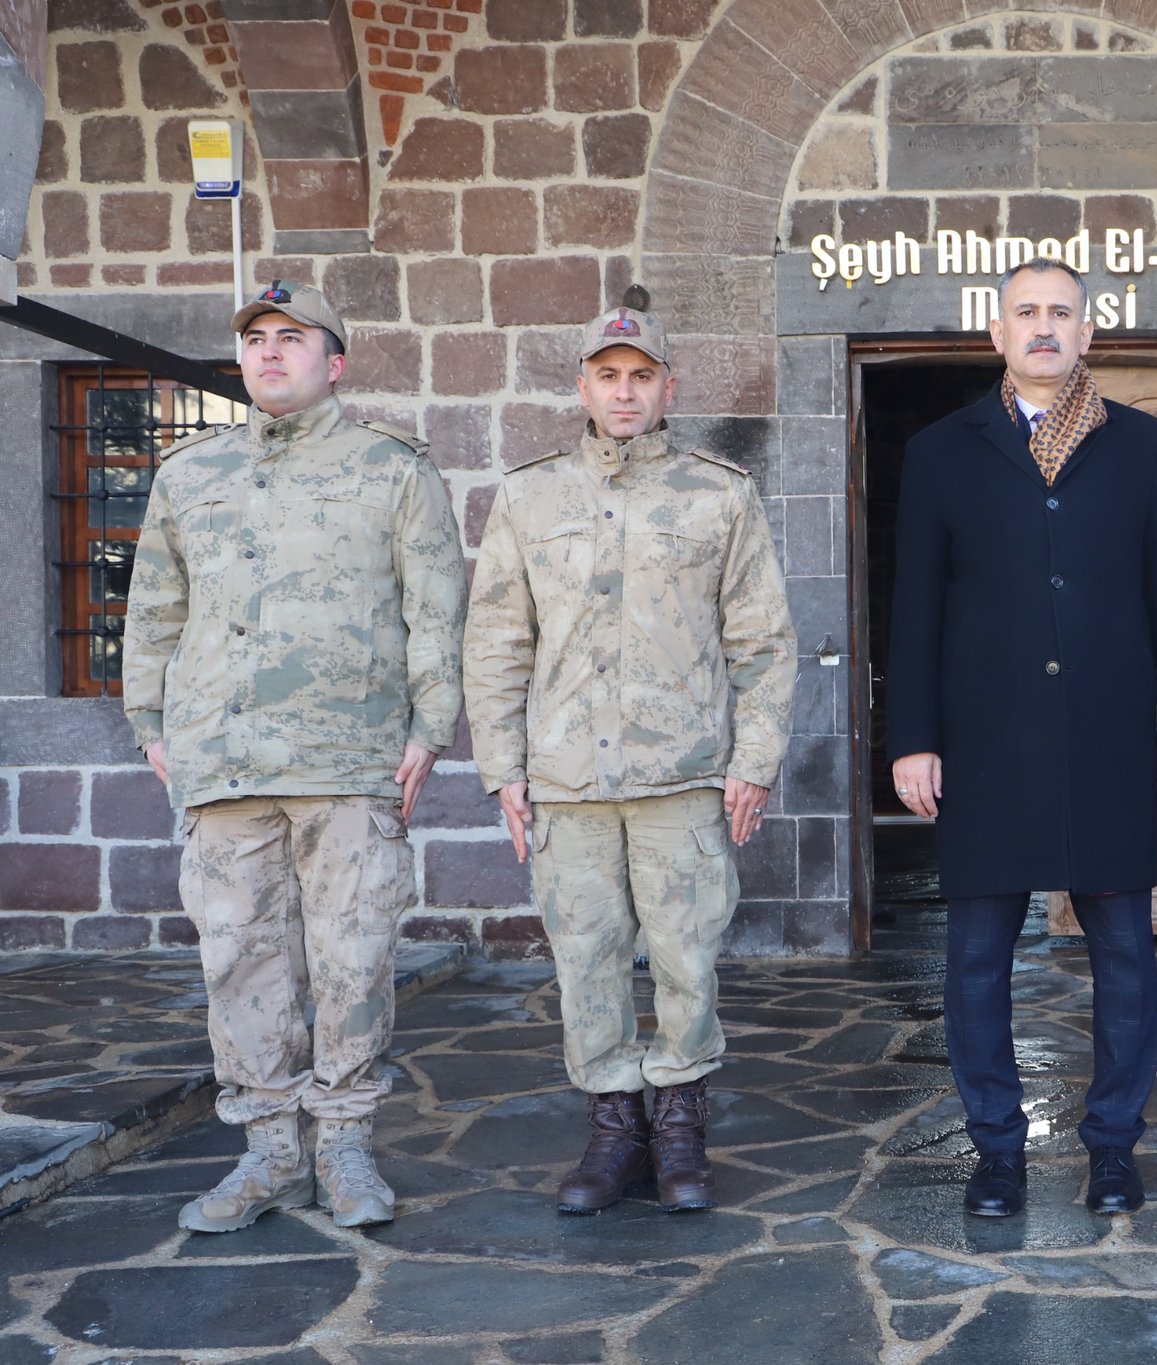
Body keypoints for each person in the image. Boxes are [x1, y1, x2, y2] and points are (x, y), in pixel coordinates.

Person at [124, 281, 467, 1232]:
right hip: (225, 760)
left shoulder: (392, 468)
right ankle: (271, 1153)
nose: (270, 351)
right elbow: (154, 605)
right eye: (257, 338)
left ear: (335, 361)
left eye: (292, 337)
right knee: (239, 964)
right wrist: (149, 721)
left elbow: (436, 606)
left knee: (354, 962)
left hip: (349, 758)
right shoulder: (190, 473)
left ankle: (346, 1145)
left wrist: (430, 727)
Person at [889, 258, 1157, 1218]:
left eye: (1060, 312)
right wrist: (913, 738)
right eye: (1025, 312)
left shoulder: (1139, 442)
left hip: (1108, 734)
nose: (1043, 326)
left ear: (1086, 332)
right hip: (985, 743)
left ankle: (1113, 1146)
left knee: (1124, 954)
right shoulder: (943, 450)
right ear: (996, 333)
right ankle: (998, 1149)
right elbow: (916, 608)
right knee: (976, 959)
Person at [463, 287, 796, 1216]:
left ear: (667, 388)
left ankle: (680, 1120)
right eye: (607, 375)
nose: (623, 391)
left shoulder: (719, 494)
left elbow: (763, 640)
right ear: (582, 385)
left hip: (680, 776)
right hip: (567, 778)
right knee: (587, 957)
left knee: (687, 957)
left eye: (640, 376)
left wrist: (754, 759)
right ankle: (615, 1124)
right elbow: (497, 640)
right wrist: (503, 770)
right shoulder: (529, 496)